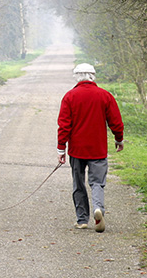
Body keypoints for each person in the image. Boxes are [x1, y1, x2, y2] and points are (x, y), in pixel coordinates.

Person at [57, 63, 124, 233]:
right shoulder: (105, 96)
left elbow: (64, 125)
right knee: (97, 183)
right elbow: (115, 121)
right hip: (98, 149)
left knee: (78, 184)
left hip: (76, 150)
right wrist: (119, 139)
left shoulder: (69, 96)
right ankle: (98, 208)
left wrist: (61, 149)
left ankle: (82, 220)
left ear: (77, 76)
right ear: (93, 76)